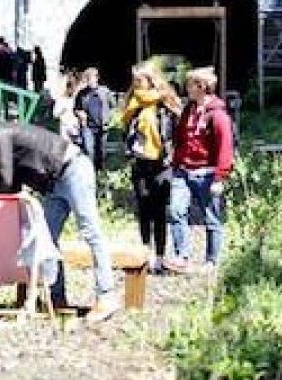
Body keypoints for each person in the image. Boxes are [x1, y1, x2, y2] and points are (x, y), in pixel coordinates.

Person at [0, 116, 122, 323]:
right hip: (54, 184)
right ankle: (57, 299)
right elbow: (12, 182)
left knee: (91, 232)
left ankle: (106, 296)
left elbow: (5, 178)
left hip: (72, 170)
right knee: (46, 239)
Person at [164, 67, 234, 273]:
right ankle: (181, 257)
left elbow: (225, 147)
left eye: (190, 85)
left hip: (207, 173)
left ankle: (211, 260)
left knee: (211, 217)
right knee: (176, 210)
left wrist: (220, 177)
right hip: (183, 171)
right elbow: (182, 139)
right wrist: (175, 161)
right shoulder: (189, 110)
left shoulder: (218, 115)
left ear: (201, 87)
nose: (187, 89)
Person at [118, 65, 181, 273]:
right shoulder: (132, 104)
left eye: (139, 81)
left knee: (160, 211)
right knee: (143, 210)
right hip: (140, 162)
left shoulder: (165, 103)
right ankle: (145, 254)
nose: (135, 85)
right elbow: (125, 128)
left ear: (151, 81)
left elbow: (178, 127)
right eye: (134, 81)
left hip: (161, 163)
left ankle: (161, 257)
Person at [72, 67, 110, 174]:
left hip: (102, 125)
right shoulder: (82, 94)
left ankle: (100, 170)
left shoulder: (105, 91)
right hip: (88, 126)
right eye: (87, 79)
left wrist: (108, 118)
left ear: (97, 78)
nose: (89, 81)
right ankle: (90, 172)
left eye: (91, 78)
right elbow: (75, 108)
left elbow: (112, 105)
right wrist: (79, 113)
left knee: (101, 150)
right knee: (89, 150)